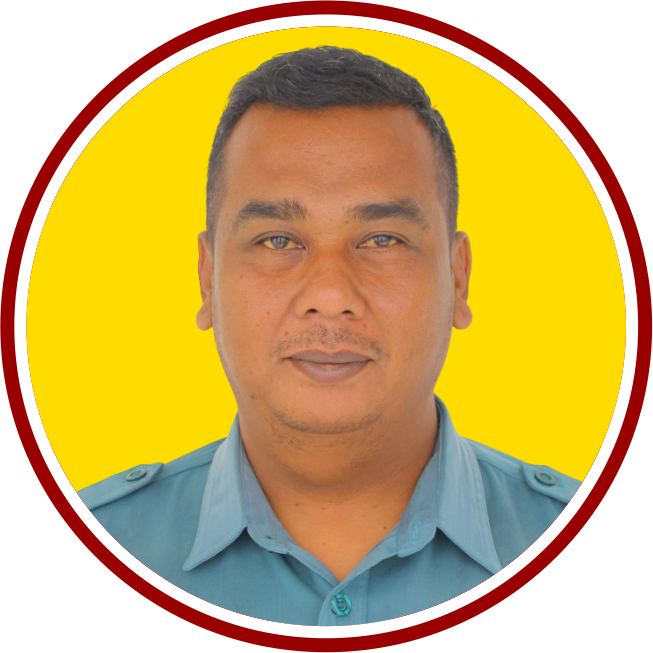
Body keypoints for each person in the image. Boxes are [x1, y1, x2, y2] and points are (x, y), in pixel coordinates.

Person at [79, 46, 580, 626]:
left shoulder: (600, 548)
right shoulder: (73, 553)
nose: (331, 294)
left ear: (458, 277)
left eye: (382, 240)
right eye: (278, 241)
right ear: (208, 278)